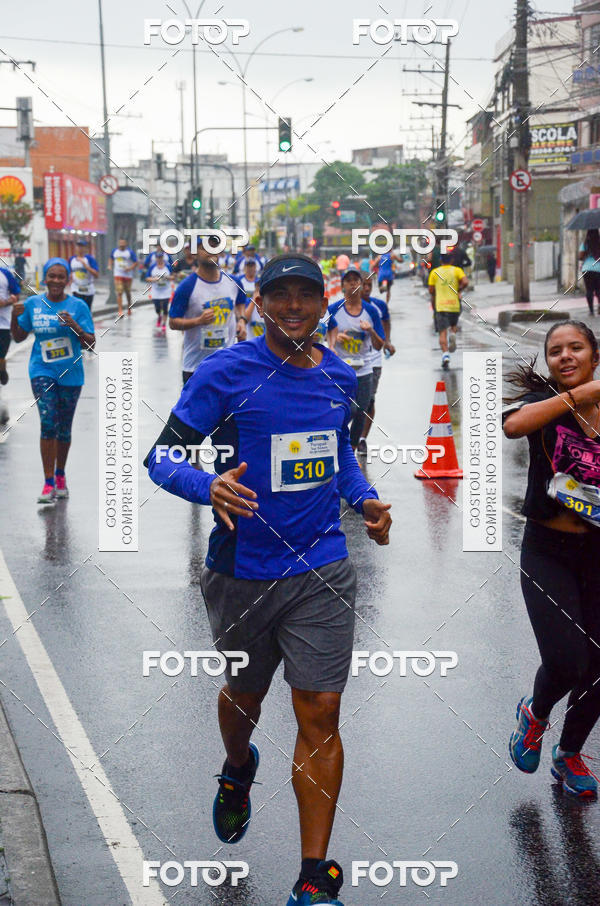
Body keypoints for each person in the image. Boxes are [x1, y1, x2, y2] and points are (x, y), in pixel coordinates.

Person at [144, 252, 392, 906]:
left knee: (321, 710)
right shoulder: (225, 372)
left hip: (322, 567)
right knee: (244, 699)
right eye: (277, 296)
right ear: (258, 304)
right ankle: (236, 768)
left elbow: (338, 456)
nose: (292, 308)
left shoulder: (338, 373)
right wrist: (207, 485)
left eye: (304, 297)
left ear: (323, 302)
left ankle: (313, 878)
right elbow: (161, 455)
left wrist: (364, 498)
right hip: (242, 572)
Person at [503, 321, 600, 798]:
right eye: (556, 350)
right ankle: (534, 714)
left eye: (576, 348)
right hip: (547, 551)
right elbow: (511, 425)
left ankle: (570, 754)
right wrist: (581, 395)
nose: (565, 356)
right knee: (567, 660)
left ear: (594, 355)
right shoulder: (544, 410)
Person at [10, 258, 95, 504]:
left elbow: (90, 343)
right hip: (41, 371)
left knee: (64, 428)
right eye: (52, 276)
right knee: (48, 423)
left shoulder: (78, 306)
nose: (56, 281)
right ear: (45, 279)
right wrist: (16, 318)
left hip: (71, 374)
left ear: (67, 280)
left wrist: (76, 327)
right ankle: (48, 482)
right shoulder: (34, 304)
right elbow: (18, 337)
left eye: (61, 277)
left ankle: (60, 476)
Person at [169, 236, 247, 384]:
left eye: (215, 247)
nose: (212, 251)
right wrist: (198, 321)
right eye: (205, 247)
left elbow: (240, 304)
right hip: (196, 367)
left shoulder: (234, 283)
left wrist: (241, 321)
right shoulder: (187, 287)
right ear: (194, 253)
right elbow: (173, 322)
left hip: (227, 365)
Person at [327, 267, 384, 451]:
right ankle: (337, 442)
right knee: (345, 410)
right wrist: (335, 339)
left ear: (360, 284)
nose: (352, 283)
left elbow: (379, 344)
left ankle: (350, 451)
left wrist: (370, 331)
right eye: (348, 280)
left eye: (355, 280)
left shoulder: (370, 311)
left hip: (364, 369)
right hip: (341, 370)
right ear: (342, 285)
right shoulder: (333, 310)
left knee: (361, 411)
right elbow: (318, 335)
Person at [356, 276, 395, 456]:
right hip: (351, 361)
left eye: (369, 285)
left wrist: (387, 342)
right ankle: (350, 437)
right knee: (351, 403)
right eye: (362, 285)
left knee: (369, 400)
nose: (366, 288)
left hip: (373, 360)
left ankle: (362, 439)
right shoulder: (344, 308)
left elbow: (386, 324)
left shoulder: (379, 306)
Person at [428, 252, 468, 369]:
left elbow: (431, 290)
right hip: (454, 305)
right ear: (451, 261)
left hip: (441, 307)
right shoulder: (456, 270)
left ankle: (445, 355)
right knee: (453, 325)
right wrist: (459, 289)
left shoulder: (435, 272)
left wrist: (437, 291)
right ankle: (453, 334)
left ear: (441, 261)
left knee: (442, 332)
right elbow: (465, 282)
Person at [0, 265, 20, 385]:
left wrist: (6, 302)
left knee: (1, 355)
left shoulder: (5, 274)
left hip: (3, 324)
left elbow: (16, 295)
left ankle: (2, 367)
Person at [108, 238, 137, 317]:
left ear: (126, 243)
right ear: (118, 243)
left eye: (123, 243)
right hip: (118, 274)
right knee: (119, 292)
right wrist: (110, 265)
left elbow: (135, 262)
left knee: (128, 293)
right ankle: (120, 310)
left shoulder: (129, 252)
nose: (122, 244)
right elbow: (111, 258)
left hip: (128, 275)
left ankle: (129, 308)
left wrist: (130, 268)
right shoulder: (115, 251)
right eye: (120, 242)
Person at [69, 239, 99, 311]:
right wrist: (70, 279)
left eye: (82, 246)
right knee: (77, 309)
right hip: (76, 288)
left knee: (87, 310)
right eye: (78, 246)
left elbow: (96, 275)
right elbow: (69, 272)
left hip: (88, 289)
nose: (80, 248)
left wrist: (86, 266)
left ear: (86, 248)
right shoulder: (72, 259)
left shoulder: (89, 259)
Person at [146, 250, 172, 330]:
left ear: (163, 258)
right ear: (156, 258)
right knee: (157, 308)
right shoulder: (152, 267)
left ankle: (164, 323)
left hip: (166, 290)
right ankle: (159, 316)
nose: (159, 259)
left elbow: (174, 276)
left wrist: (166, 277)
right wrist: (154, 279)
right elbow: (147, 278)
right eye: (158, 257)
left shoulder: (167, 266)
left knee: (165, 307)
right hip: (156, 291)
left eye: (161, 257)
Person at [578, 229, 600, 315]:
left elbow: (580, 257)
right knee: (598, 289)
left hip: (586, 269)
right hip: (598, 269)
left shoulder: (584, 244)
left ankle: (591, 311)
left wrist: (586, 253)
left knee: (589, 290)